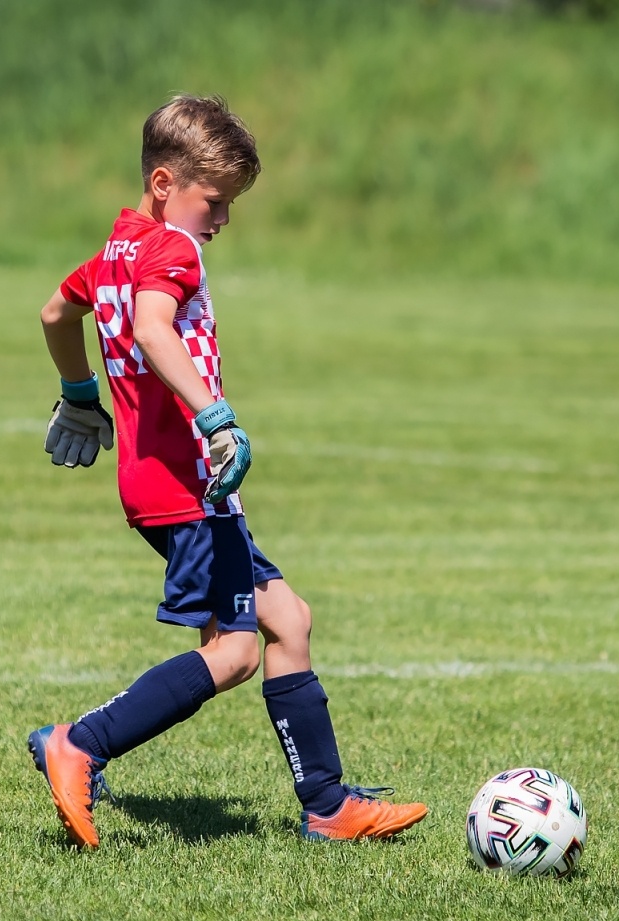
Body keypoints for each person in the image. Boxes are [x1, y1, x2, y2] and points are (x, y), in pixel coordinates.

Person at [29, 95, 428, 849]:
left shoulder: (115, 249)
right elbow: (151, 328)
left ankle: (328, 805)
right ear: (163, 183)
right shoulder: (173, 251)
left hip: (167, 484)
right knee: (236, 650)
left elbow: (56, 313)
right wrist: (213, 415)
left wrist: (81, 395)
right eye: (213, 200)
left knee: (290, 621)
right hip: (188, 485)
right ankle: (78, 743)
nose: (221, 220)